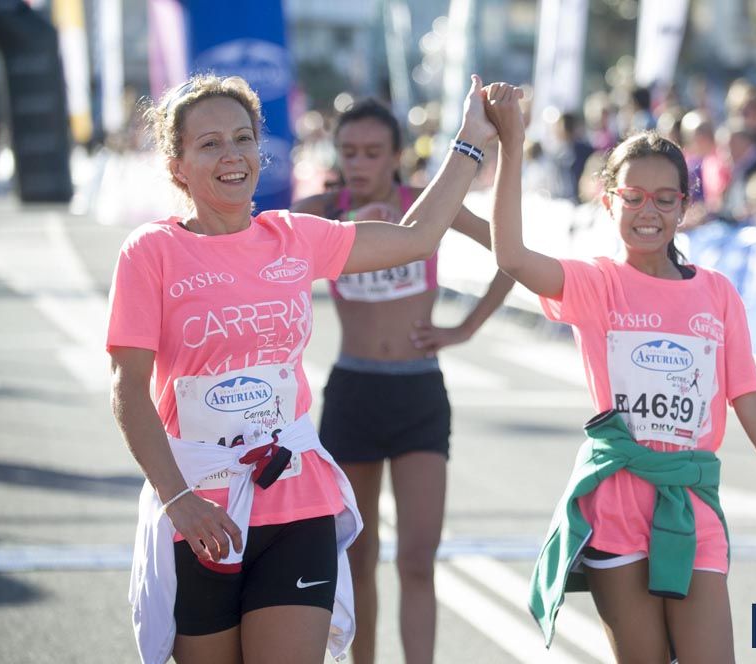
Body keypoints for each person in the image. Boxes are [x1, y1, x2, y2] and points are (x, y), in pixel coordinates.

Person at [106, 73, 496, 664]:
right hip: (203, 507)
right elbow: (129, 389)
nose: (232, 156)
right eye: (209, 144)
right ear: (177, 163)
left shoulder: (293, 237)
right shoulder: (149, 252)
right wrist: (176, 496)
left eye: (243, 139)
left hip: (296, 497)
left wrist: (468, 140)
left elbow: (417, 237)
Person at [481, 82, 756, 663]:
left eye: (666, 199)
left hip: (692, 501)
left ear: (686, 206)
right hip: (617, 504)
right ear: (608, 199)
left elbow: (750, 396)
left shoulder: (717, 295)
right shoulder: (597, 283)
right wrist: (513, 142)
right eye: (634, 196)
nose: (649, 212)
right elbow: (511, 255)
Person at [291, 97, 513, 664]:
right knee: (357, 561)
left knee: (417, 559)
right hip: (352, 392)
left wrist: (465, 327)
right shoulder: (321, 210)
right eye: (348, 151)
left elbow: (512, 255)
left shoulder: (426, 205)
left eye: (372, 152)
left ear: (396, 155)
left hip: (418, 393)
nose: (359, 163)